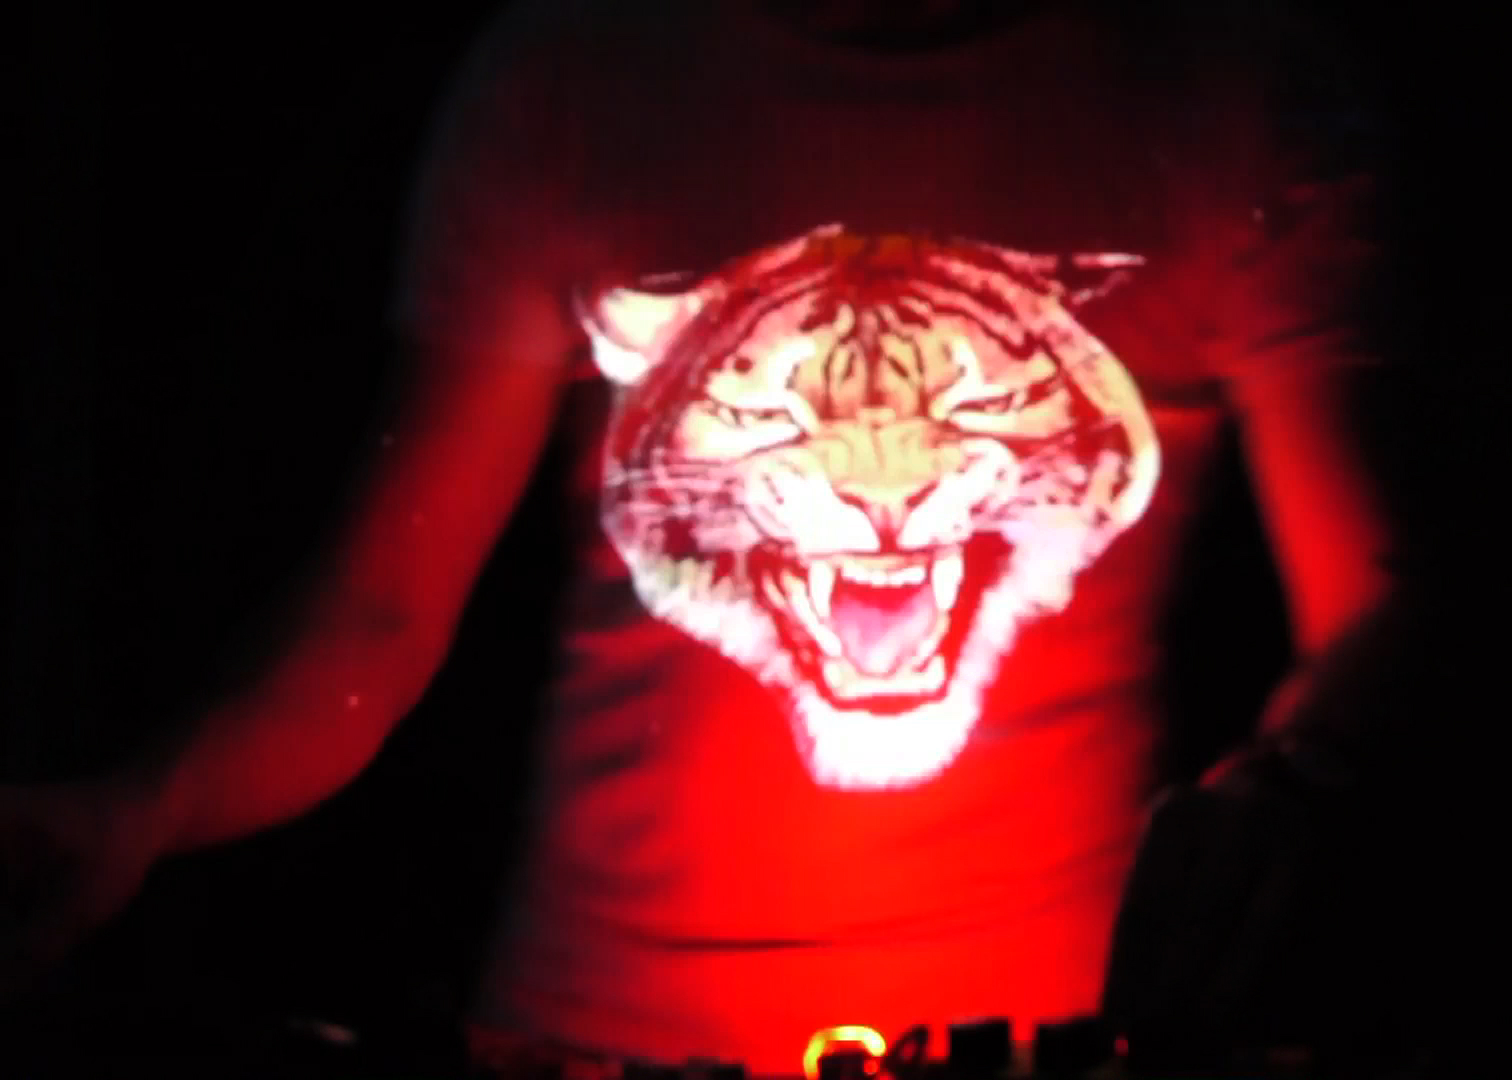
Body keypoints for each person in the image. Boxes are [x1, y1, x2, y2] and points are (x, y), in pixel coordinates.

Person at [0, 1, 1409, 1073]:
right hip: (588, 1038)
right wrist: (138, 810)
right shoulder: (572, 75)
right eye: (791, 419)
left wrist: (1294, 792)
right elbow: (381, 612)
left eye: (960, 409)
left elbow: (1393, 610)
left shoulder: (1226, 84)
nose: (879, 483)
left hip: (1050, 1035)